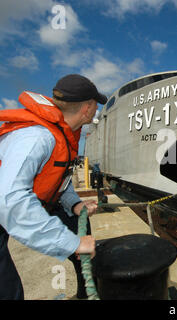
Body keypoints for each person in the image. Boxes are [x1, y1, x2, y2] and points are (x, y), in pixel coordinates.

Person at [0, 74, 107, 300]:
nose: (96, 108)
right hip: (6, 205)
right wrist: (71, 243)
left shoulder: (62, 135)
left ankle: (85, 292)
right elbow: (10, 200)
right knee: (9, 291)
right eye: (95, 104)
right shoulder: (36, 137)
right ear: (87, 108)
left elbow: (58, 179)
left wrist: (75, 204)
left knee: (80, 227)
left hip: (27, 204)